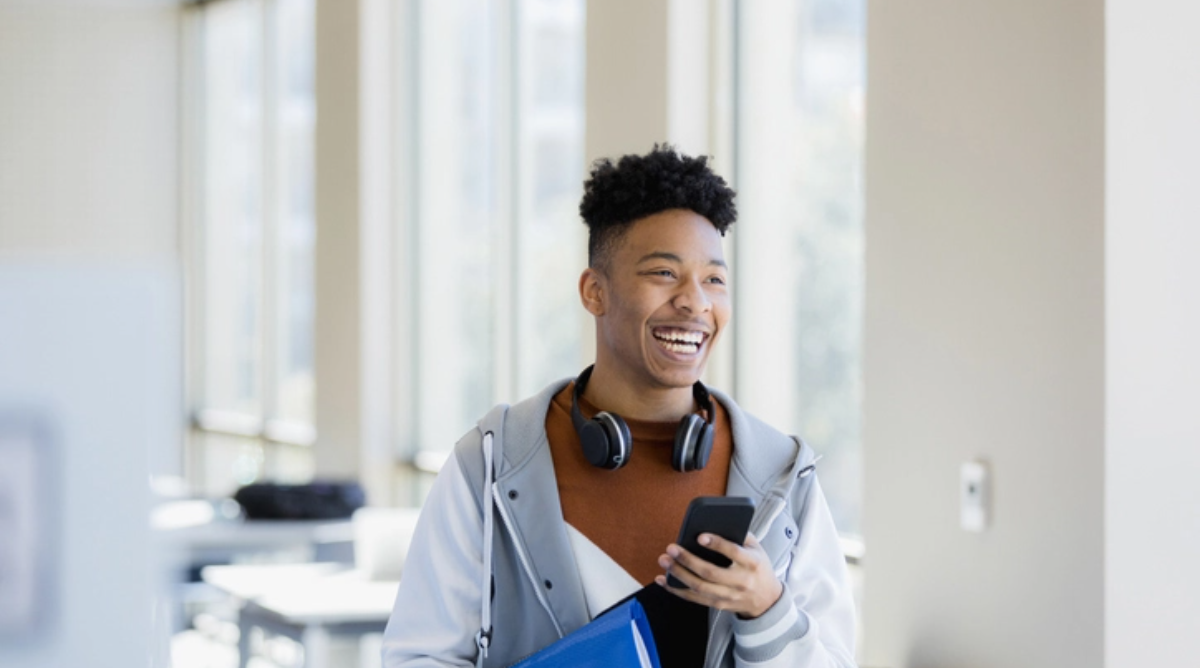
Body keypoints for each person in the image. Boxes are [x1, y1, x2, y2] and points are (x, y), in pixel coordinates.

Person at [381, 145, 857, 668]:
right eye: (664, 273)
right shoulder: (492, 465)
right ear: (594, 292)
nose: (696, 302)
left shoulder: (784, 476)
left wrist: (767, 611)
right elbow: (418, 656)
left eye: (714, 280)